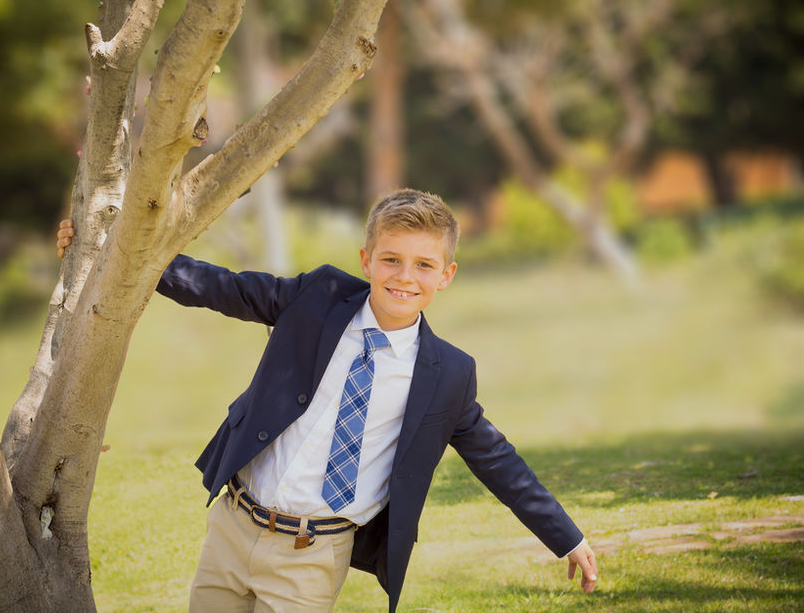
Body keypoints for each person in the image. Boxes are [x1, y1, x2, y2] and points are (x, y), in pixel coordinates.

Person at [56, 188, 598, 612]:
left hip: (311, 557)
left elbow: (496, 459)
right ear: (366, 259)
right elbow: (223, 288)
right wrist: (110, 257)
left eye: (423, 265)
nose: (404, 276)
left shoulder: (448, 373)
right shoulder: (317, 298)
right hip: (232, 527)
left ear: (446, 276)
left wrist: (565, 536)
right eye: (391, 259)